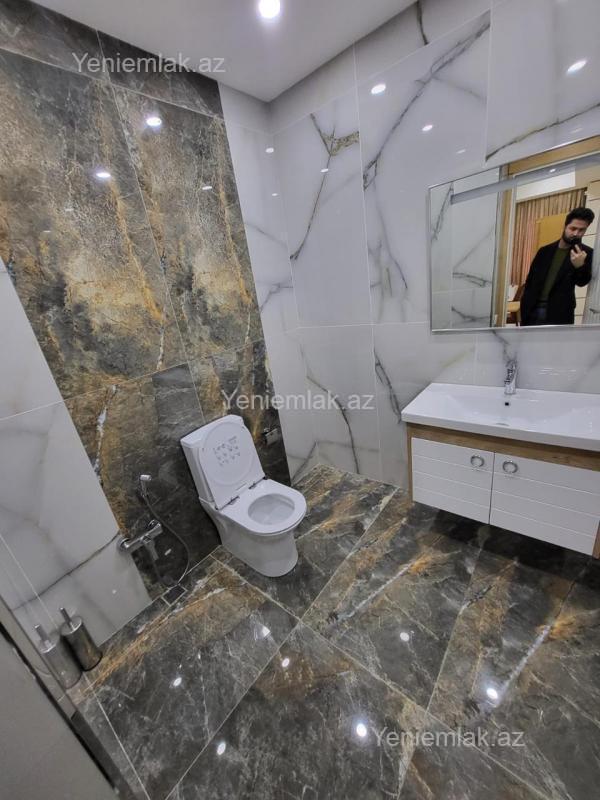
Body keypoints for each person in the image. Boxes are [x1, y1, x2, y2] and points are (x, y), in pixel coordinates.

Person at [520, 207, 594, 325]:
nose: (576, 233)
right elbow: (530, 280)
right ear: (565, 226)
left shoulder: (585, 253)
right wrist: (524, 306)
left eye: (581, 230)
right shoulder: (544, 251)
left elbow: (582, 282)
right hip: (532, 309)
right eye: (573, 228)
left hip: (560, 311)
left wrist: (579, 266)